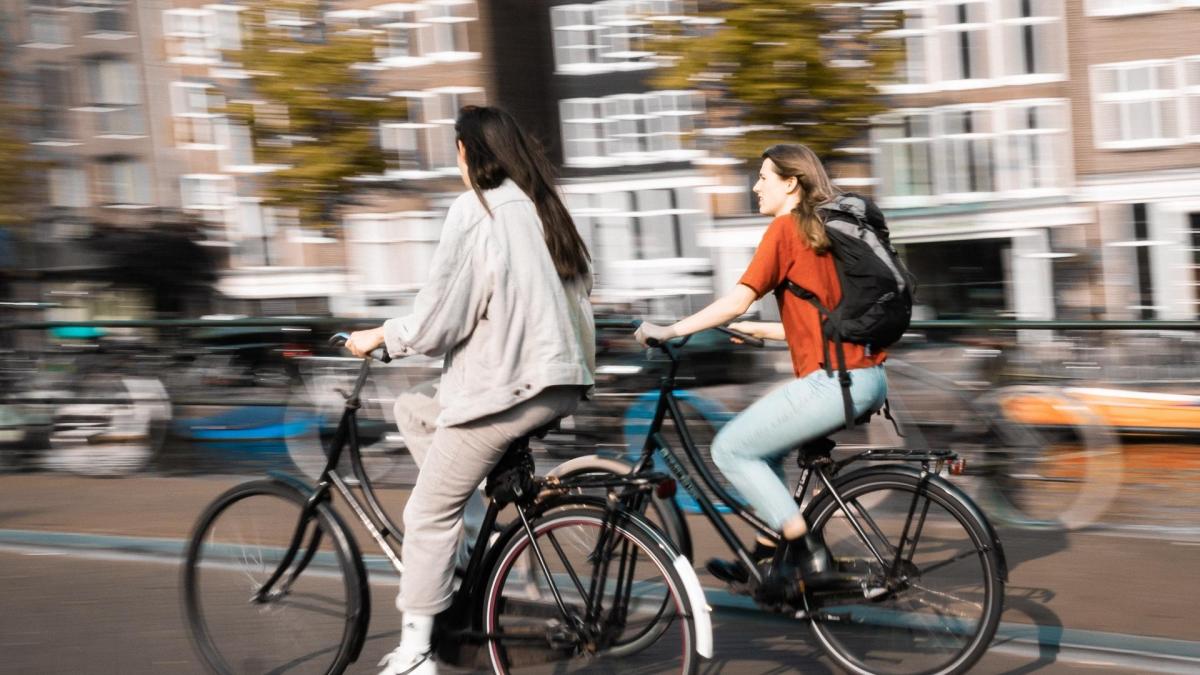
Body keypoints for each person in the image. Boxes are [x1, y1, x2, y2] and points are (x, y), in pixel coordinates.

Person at [346, 105, 595, 675]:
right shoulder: (545, 208)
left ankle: (415, 654)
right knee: (416, 411)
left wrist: (380, 337)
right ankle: (473, 556)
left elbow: (438, 323)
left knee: (427, 512)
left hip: (506, 388)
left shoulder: (477, 209)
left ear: (466, 152)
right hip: (563, 381)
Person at [634, 143, 888, 593]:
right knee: (764, 453)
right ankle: (765, 557)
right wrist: (761, 332)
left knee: (730, 450)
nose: (755, 186)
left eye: (764, 177)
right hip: (865, 376)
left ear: (791, 184)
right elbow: (819, 325)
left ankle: (810, 556)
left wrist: (669, 330)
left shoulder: (785, 230)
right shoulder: (823, 237)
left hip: (834, 382)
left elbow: (736, 299)